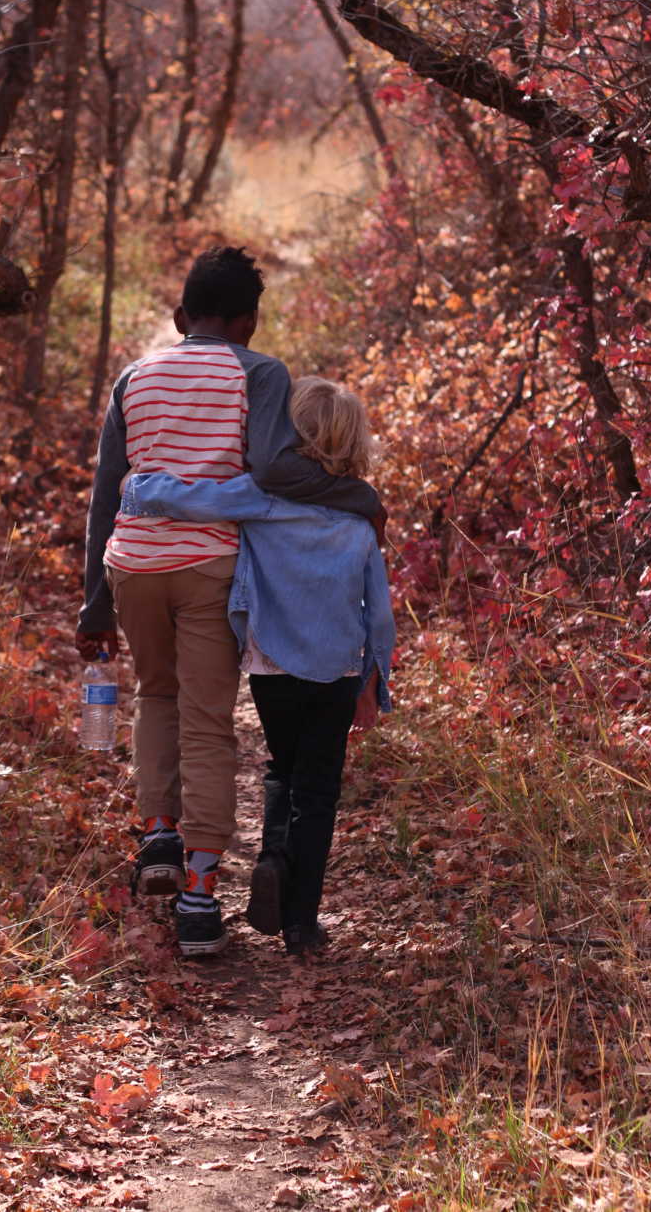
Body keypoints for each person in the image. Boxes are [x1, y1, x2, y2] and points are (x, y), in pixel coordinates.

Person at [76, 246, 385, 958]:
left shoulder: (134, 377)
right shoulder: (260, 371)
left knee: (156, 697)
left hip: (134, 562)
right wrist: (357, 496)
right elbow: (276, 471)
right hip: (210, 565)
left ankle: (158, 831)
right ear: (249, 321)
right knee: (209, 723)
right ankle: (196, 899)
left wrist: (95, 604)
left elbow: (105, 494)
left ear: (181, 316)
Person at [120, 375, 395, 957]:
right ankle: (300, 921)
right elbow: (380, 613)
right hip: (338, 671)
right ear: (355, 443)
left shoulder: (265, 497)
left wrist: (143, 487)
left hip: (271, 666)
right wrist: (376, 682)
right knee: (318, 792)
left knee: (281, 770)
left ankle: (272, 856)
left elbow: (200, 499)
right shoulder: (359, 518)